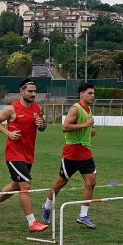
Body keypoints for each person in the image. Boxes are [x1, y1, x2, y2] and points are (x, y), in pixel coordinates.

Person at [0, 79, 48, 234]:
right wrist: (8, 133)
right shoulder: (11, 109)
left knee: (16, 185)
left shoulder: (37, 107)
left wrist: (42, 124)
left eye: (35, 91)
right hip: (14, 153)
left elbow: (42, 127)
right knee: (26, 186)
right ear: (22, 92)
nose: (33, 94)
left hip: (29, 153)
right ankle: (32, 222)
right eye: (30, 91)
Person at [41, 82, 98, 229]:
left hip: (86, 152)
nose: (93, 96)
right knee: (61, 182)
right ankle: (47, 206)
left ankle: (83, 215)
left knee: (91, 183)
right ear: (81, 94)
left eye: (93, 93)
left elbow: (81, 128)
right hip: (72, 153)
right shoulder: (76, 108)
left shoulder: (88, 109)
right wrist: (85, 125)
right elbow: (65, 127)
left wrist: (89, 132)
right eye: (90, 93)